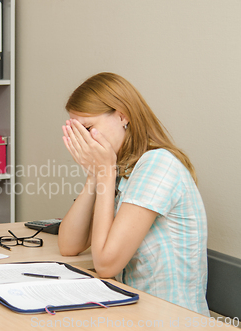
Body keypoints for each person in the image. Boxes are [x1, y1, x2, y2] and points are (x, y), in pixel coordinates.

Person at [58, 72, 208, 316]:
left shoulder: (158, 164)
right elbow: (69, 245)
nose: (84, 141)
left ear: (122, 115)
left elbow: (106, 264)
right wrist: (95, 175)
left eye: (87, 129)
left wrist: (105, 172)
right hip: (134, 313)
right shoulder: (122, 169)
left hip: (174, 320)